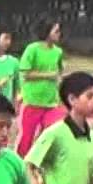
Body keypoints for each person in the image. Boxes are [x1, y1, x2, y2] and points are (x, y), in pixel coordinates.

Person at [14, 20, 66, 156]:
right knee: (27, 137)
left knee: (50, 133)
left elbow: (59, 71)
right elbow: (25, 73)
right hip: (32, 100)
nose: (59, 34)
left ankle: (41, 161)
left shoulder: (58, 52)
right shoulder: (32, 49)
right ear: (47, 32)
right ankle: (21, 163)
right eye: (56, 31)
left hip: (51, 102)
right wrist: (48, 75)